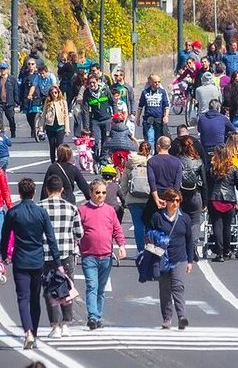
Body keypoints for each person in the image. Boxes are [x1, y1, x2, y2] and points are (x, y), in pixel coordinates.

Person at [0, 179, 63, 350]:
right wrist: (57, 262)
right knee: (35, 299)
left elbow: (5, 237)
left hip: (20, 260)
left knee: (22, 297)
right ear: (33, 192)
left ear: (19, 193)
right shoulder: (41, 213)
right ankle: (33, 334)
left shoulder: (13, 213)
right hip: (37, 261)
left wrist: (4, 255)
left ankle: (27, 331)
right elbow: (51, 239)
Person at [38, 176, 84, 338]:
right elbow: (80, 233)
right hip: (66, 253)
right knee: (66, 287)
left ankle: (55, 325)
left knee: (49, 289)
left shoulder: (40, 207)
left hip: (45, 254)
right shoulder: (71, 208)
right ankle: (66, 323)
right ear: (62, 190)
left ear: (46, 190)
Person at [79, 179, 126, 330]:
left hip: (106, 255)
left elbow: (117, 229)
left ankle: (98, 316)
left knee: (101, 288)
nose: (100, 195)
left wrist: (121, 246)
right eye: (97, 192)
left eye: (103, 193)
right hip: (88, 255)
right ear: (91, 193)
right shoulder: (82, 210)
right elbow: (76, 231)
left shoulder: (110, 210)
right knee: (92, 285)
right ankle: (92, 316)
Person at [149, 189, 194, 330]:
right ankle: (167, 318)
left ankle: (182, 316)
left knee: (178, 287)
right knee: (165, 289)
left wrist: (190, 261)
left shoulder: (184, 218)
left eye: (178, 200)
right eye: (172, 200)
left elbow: (189, 240)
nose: (175, 203)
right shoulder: (157, 217)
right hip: (161, 257)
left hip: (179, 257)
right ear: (166, 201)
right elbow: (149, 236)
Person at [205, 146, 238, 261]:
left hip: (215, 199)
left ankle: (219, 253)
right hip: (229, 200)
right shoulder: (233, 168)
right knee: (227, 227)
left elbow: (208, 183)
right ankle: (227, 250)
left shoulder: (212, 168)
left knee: (217, 225)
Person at [176, 136, 207, 256]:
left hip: (181, 195)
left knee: (181, 220)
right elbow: (204, 183)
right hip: (195, 194)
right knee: (195, 222)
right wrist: (205, 202)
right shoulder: (198, 161)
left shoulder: (177, 160)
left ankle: (183, 245)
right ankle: (193, 246)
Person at [121, 141, 152, 253]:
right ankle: (149, 249)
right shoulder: (152, 162)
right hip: (149, 198)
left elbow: (124, 182)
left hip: (133, 198)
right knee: (149, 225)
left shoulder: (131, 161)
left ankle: (140, 250)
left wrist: (125, 197)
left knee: (138, 225)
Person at [83, 76, 115, 161]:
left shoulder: (105, 90)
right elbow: (85, 110)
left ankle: (103, 158)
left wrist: (115, 116)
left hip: (107, 119)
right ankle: (95, 158)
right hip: (95, 120)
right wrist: (86, 126)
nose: (92, 84)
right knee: (95, 141)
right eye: (90, 83)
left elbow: (113, 102)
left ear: (97, 82)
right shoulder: (87, 93)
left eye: (93, 82)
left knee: (106, 141)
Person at [136, 74, 170, 152]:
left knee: (158, 139)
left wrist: (166, 116)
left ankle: (158, 155)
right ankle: (150, 154)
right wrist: (137, 118)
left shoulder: (162, 92)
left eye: (159, 82)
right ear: (150, 82)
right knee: (150, 138)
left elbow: (166, 105)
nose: (157, 83)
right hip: (148, 119)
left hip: (159, 119)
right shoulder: (145, 92)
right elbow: (140, 106)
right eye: (155, 82)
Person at [41, 85, 70, 164]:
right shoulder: (48, 101)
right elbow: (44, 114)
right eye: (52, 92)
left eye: (55, 92)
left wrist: (67, 129)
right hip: (50, 126)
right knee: (52, 145)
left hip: (60, 127)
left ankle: (61, 162)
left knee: (60, 146)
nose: (54, 94)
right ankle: (53, 162)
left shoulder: (63, 101)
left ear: (58, 93)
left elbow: (66, 115)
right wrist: (41, 128)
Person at [0, 63, 19, 137]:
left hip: (9, 103)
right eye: (1, 69)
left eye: (4, 69)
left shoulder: (12, 79)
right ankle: (1, 133)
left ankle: (13, 131)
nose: (2, 71)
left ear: (7, 70)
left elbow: (16, 91)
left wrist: (17, 102)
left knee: (11, 118)